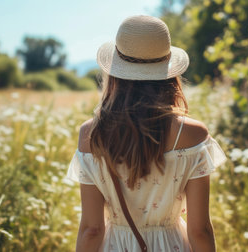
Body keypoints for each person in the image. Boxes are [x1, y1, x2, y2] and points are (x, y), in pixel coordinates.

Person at [67, 15, 227, 252]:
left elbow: (92, 229)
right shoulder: (192, 135)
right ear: (168, 72)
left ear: (116, 72)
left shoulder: (92, 135)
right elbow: (199, 230)